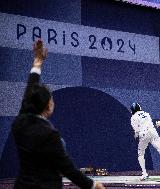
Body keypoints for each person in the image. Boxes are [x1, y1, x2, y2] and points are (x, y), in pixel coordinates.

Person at [12, 39, 105, 189]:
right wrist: (93, 185)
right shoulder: (49, 134)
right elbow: (67, 169)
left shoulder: (19, 123)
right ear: (48, 105)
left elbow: (29, 95)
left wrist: (37, 63)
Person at [130, 103, 160, 181]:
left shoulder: (133, 117)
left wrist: (135, 136)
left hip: (144, 133)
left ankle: (144, 173)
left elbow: (137, 131)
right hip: (153, 132)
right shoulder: (146, 113)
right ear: (139, 107)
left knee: (141, 154)